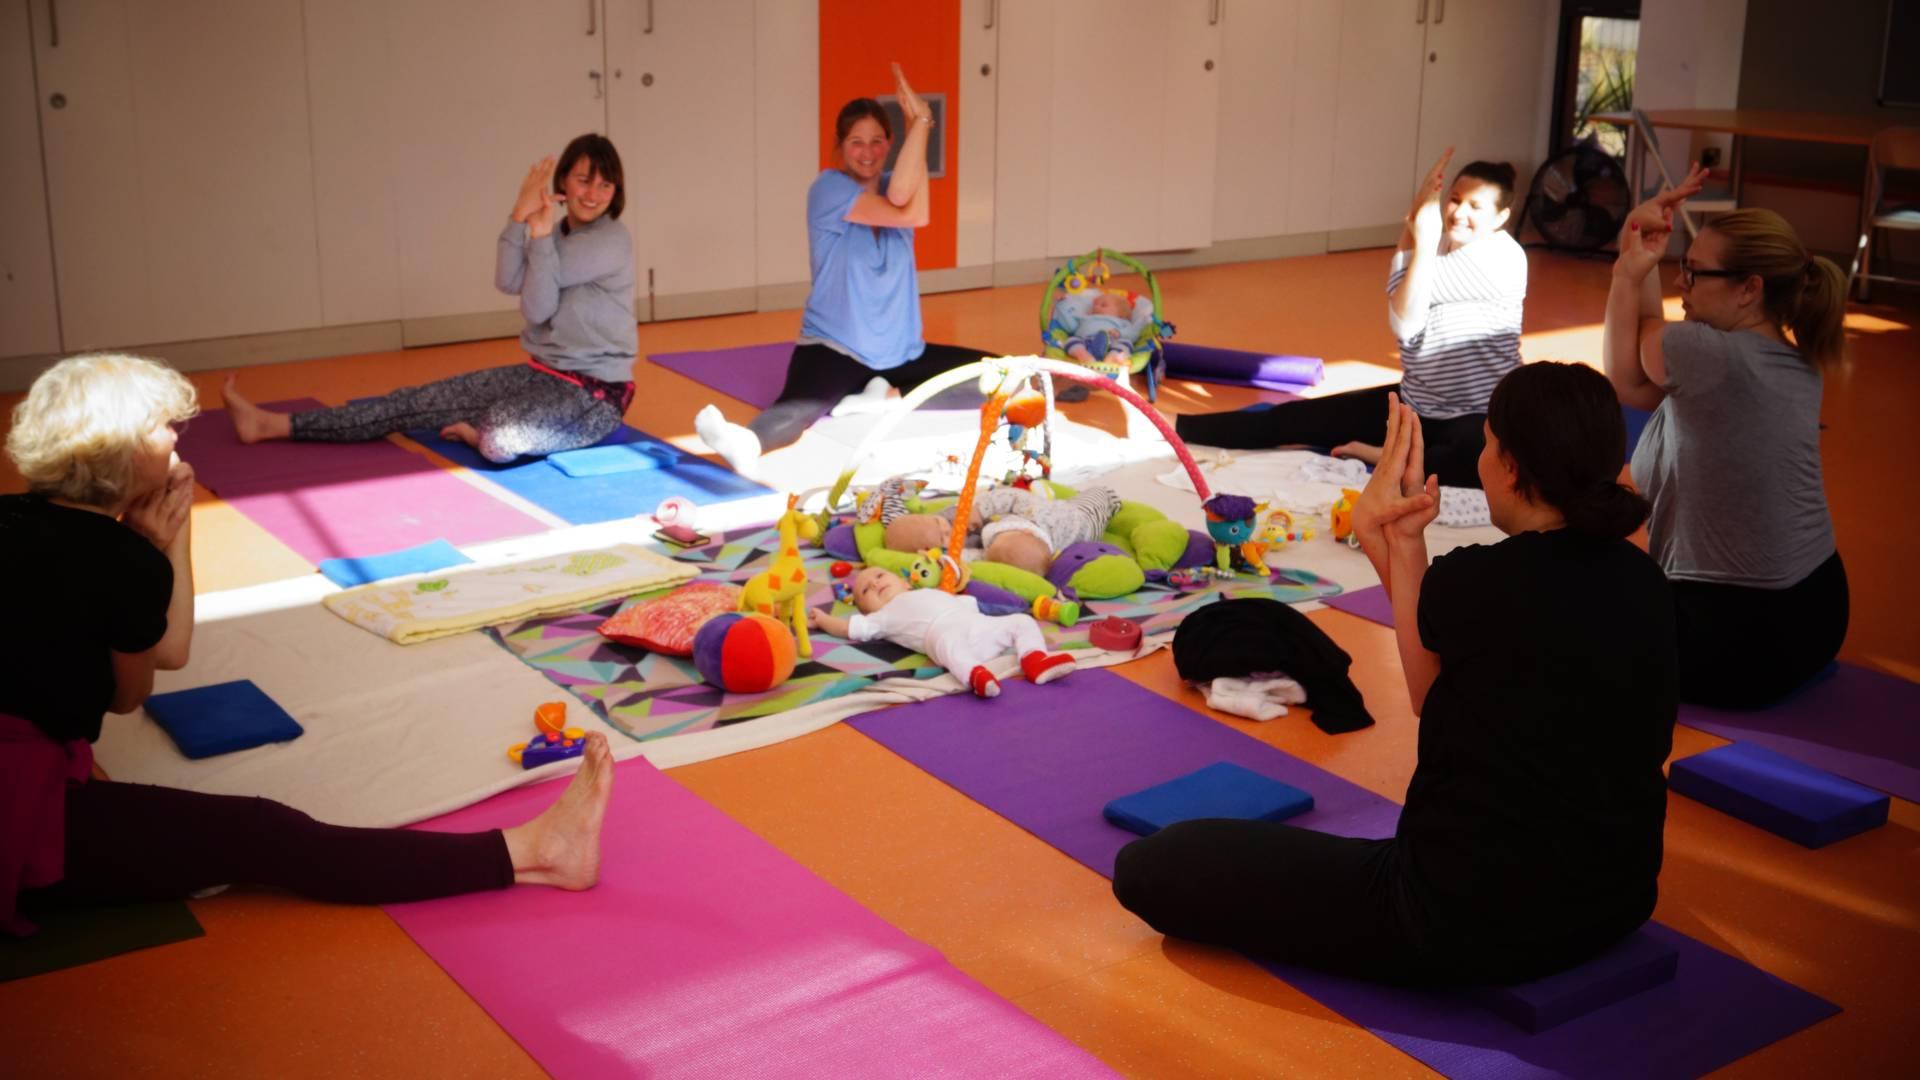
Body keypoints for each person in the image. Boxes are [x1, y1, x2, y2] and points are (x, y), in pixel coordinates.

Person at [3, 354, 614, 935]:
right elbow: (129, 693)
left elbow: (163, 647)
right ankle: (539, 852)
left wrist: (158, 544)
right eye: (164, 427)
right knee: (264, 833)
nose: (176, 441)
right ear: (127, 449)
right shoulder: (119, 561)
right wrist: (151, 549)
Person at [1114, 363, 1678, 988]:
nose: (1482, 462)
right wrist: (1399, 538)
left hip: (1453, 920)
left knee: (1152, 866)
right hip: (1617, 903)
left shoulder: (1476, 581)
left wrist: (1400, 538)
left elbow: (1423, 690)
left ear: (1512, 466)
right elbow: (1434, 695)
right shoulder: (1644, 578)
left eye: (1487, 445)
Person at [223, 134, 636, 464]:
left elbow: (537, 307)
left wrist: (539, 234)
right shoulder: (555, 231)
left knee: (499, 439)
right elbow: (508, 280)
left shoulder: (610, 242)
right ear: (563, 179)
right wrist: (518, 216)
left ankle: (480, 430)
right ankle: (273, 425)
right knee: (416, 401)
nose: (593, 194)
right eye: (584, 180)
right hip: (542, 374)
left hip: (594, 396)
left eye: (604, 184)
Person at [1605, 171, 1850, 709]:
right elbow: (1641, 383)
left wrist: (1630, 268)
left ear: (1749, 288)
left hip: (1738, 638)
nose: (1680, 285)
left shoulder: (1707, 357)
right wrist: (1640, 255)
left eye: (1693, 274)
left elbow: (1624, 375)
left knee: (1565, 601)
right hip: (1817, 614)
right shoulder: (1791, 361)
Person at [695, 65, 998, 476]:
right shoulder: (828, 189)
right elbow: (904, 203)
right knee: (798, 408)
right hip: (835, 348)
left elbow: (916, 209)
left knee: (1000, 374)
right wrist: (920, 119)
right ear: (840, 146)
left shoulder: (896, 184)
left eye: (877, 141)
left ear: (890, 144)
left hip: (902, 352)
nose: (868, 151)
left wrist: (919, 124)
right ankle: (745, 443)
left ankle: (885, 397)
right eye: (857, 142)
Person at [1174, 151, 1527, 489]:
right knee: (1293, 420)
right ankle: (1176, 428)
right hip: (1415, 404)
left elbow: (1406, 307)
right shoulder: (1434, 245)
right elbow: (1400, 305)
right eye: (1454, 198)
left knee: (1480, 461)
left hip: (1474, 414)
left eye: (1475, 206)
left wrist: (1419, 233)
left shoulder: (1503, 261)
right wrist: (1420, 209)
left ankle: (1379, 455)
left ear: (1499, 218)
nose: (1459, 212)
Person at [808, 566, 1078, 699]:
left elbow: (977, 605)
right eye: (865, 590)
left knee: (1020, 621)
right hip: (942, 635)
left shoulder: (931, 591)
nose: (875, 584)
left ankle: (1035, 659)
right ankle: (975, 676)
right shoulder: (880, 618)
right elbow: (847, 628)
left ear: (904, 581)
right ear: (865, 611)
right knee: (949, 645)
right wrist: (823, 620)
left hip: (976, 624)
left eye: (879, 576)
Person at [883, 484, 1124, 578]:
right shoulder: (1000, 546)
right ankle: (1107, 498)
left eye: (937, 521)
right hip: (1085, 523)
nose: (948, 527)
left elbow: (1011, 496)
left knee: (1100, 494)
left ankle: (1108, 495)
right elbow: (968, 560)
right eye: (943, 537)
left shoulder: (1029, 515)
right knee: (1098, 502)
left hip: (1063, 512)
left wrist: (979, 508)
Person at [1056, 290, 1155, 370]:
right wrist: (1062, 305)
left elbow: (1134, 334)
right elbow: (1069, 326)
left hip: (1112, 343)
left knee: (1126, 342)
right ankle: (1083, 355)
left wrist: (1120, 333)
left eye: (1103, 305)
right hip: (1086, 343)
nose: (1096, 306)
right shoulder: (1085, 317)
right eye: (1095, 304)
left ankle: (1113, 357)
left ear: (1120, 314)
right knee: (1071, 340)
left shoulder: (1121, 322)